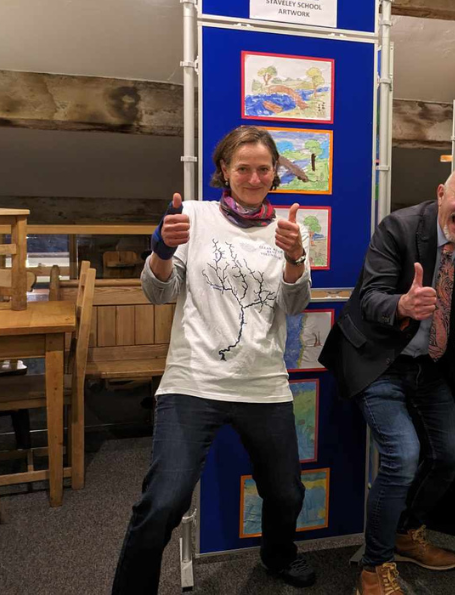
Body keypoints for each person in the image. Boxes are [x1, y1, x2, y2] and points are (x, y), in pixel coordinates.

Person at [112, 125, 315, 594]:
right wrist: (162, 250)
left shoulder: (290, 227)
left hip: (262, 381)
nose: (253, 176)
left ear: (275, 174)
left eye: (264, 168)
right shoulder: (194, 217)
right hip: (193, 380)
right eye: (242, 167)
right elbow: (157, 292)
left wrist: (295, 258)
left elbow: (296, 304)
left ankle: (278, 557)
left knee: (287, 493)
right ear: (224, 170)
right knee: (163, 502)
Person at [319, 165, 455, 595]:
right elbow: (370, 296)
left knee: (452, 454)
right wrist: (403, 303)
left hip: (429, 363)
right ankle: (374, 565)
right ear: (441, 192)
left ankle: (405, 533)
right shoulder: (398, 227)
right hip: (379, 358)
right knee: (403, 457)